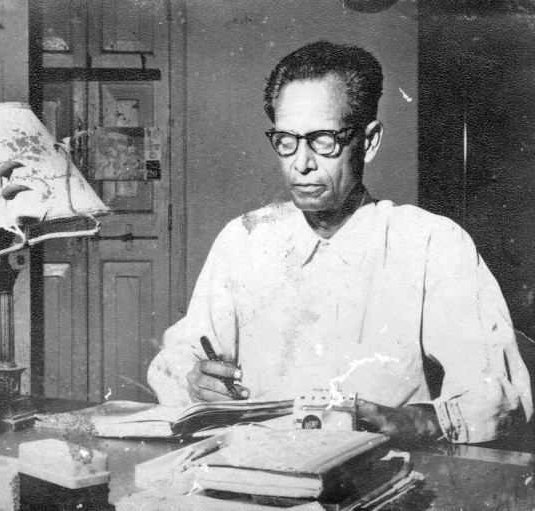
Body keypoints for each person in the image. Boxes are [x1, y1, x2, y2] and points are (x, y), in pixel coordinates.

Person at [147, 41, 533, 445]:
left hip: (378, 476)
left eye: (323, 140)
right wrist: (194, 378)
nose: (302, 163)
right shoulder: (245, 239)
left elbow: (496, 389)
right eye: (286, 141)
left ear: (368, 142)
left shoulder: (430, 243)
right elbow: (178, 357)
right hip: (257, 469)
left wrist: (421, 421)